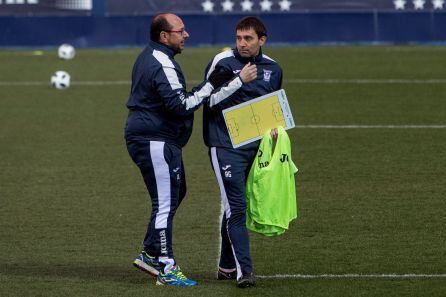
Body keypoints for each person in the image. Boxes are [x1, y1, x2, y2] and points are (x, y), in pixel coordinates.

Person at [124, 13, 257, 287]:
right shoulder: (162, 64)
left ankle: (150, 253)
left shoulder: (154, 57)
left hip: (156, 138)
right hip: (154, 140)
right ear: (165, 36)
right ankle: (166, 268)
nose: (186, 35)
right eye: (180, 31)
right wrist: (210, 85)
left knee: (177, 192)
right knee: (163, 203)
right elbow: (182, 105)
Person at [203, 16, 283, 288]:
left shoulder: (273, 68)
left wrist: (274, 128)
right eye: (238, 38)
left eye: (248, 39)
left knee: (236, 207)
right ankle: (244, 272)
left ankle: (226, 266)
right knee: (236, 208)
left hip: (256, 148)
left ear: (262, 40)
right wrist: (238, 79)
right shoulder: (222, 63)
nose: (242, 44)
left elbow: (272, 105)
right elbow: (208, 101)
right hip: (225, 146)